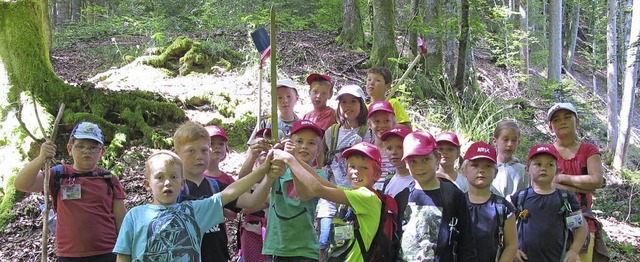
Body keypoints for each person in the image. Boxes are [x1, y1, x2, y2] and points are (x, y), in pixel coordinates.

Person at [113, 150, 282, 262]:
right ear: (147, 184)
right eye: (159, 177)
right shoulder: (135, 215)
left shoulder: (193, 211)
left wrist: (262, 171)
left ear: (182, 183)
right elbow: (123, 255)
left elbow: (229, 193)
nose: (167, 182)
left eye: (173, 177)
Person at [14, 121, 127, 262]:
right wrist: (40, 159)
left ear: (101, 151)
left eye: (93, 148)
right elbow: (22, 184)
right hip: (69, 255)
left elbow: (121, 221)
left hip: (107, 252)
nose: (87, 151)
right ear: (69, 148)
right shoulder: (59, 174)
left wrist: (125, 251)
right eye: (80, 146)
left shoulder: (109, 179)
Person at [173, 121, 275, 262]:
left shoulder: (215, 186)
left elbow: (251, 201)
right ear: (176, 153)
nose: (199, 156)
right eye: (191, 150)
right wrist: (262, 171)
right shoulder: (173, 189)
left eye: (204, 150)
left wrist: (270, 177)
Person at [273, 142, 384, 262]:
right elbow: (319, 180)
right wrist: (293, 157)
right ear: (346, 170)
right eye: (352, 166)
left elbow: (317, 189)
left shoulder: (367, 197)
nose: (356, 171)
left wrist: (289, 160)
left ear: (377, 175)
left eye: (364, 167)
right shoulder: (352, 195)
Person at [397, 131, 477, 261]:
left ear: (437, 158)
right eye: (413, 161)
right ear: (405, 163)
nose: (419, 166)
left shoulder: (453, 195)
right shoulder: (402, 198)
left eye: (425, 159)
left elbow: (466, 242)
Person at [317, 84, 373, 255]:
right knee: (324, 240)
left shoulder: (368, 132)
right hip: (331, 194)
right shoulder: (331, 132)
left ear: (362, 105)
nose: (348, 106)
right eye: (344, 102)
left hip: (354, 196)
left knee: (348, 242)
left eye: (353, 102)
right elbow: (322, 158)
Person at [547, 103, 606, 262]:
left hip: (582, 220)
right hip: (551, 219)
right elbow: (544, 185)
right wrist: (581, 185)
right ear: (551, 128)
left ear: (577, 121)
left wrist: (560, 178)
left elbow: (596, 181)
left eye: (567, 117)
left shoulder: (588, 149)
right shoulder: (546, 153)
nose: (562, 122)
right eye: (557, 120)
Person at [262, 120, 328, 261]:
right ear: (289, 143)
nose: (304, 146)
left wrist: (291, 160)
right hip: (276, 246)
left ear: (318, 150)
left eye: (311, 143)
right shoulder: (278, 168)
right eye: (299, 141)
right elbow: (249, 183)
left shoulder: (319, 175)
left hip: (304, 250)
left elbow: (305, 194)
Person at [512, 144, 588, 262]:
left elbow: (580, 226)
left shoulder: (564, 199)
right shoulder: (521, 198)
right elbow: (505, 225)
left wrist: (574, 250)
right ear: (527, 169)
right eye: (538, 164)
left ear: (557, 170)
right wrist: (512, 249)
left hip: (558, 258)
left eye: (550, 164)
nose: (544, 168)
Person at [462, 142, 517, 262]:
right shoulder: (456, 203)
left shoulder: (503, 208)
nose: (481, 170)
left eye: (488, 166)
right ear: (464, 170)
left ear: (495, 172)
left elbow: (511, 245)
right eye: (475, 165)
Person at [248, 78, 300, 143]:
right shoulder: (265, 124)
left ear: (297, 98)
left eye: (288, 96)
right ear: (273, 100)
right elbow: (250, 150)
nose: (285, 101)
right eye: (279, 98)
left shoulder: (302, 125)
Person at [491, 119, 528, 198]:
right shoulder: (489, 168)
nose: (510, 144)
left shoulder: (523, 171)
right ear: (495, 140)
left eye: (514, 140)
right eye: (505, 139)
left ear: (518, 142)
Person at [367, 100, 398, 191]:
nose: (382, 125)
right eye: (377, 121)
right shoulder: (366, 151)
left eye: (386, 121)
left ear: (393, 122)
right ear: (369, 124)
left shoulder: (401, 149)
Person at [380, 125, 413, 198]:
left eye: (400, 147)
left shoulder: (418, 182)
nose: (394, 152)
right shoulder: (388, 181)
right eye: (389, 148)